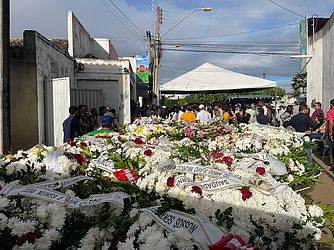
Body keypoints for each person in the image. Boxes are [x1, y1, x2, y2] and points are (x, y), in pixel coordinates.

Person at [327, 99, 334, 168]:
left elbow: (331, 123)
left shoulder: (331, 112)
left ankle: (332, 164)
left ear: (331, 105)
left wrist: (330, 133)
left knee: (332, 148)